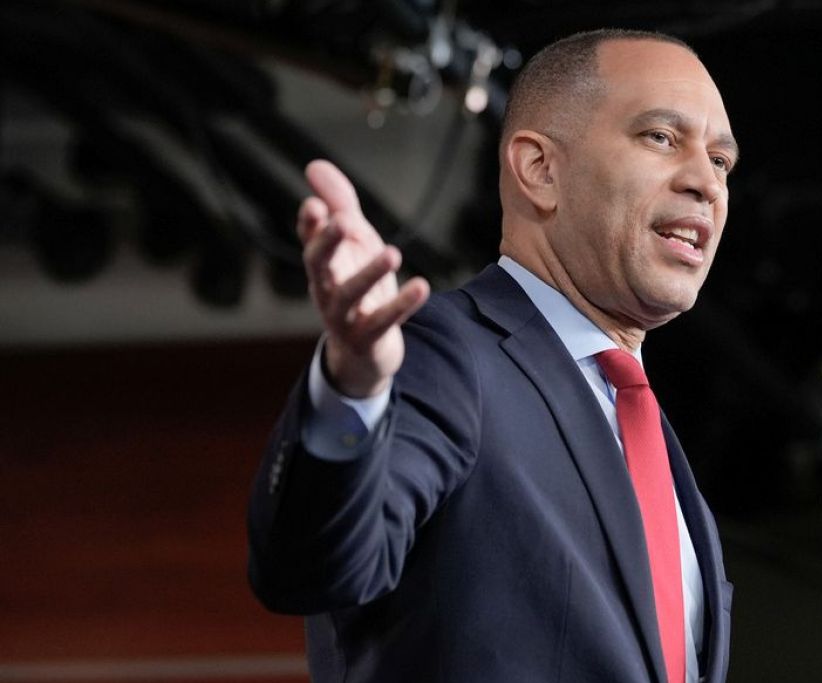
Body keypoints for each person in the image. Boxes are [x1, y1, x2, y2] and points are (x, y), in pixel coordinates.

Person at [248, 28, 738, 683]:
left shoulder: (655, 442)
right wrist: (353, 389)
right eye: (660, 137)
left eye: (721, 160)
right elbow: (313, 565)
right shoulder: (448, 356)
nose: (707, 182)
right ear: (540, 169)